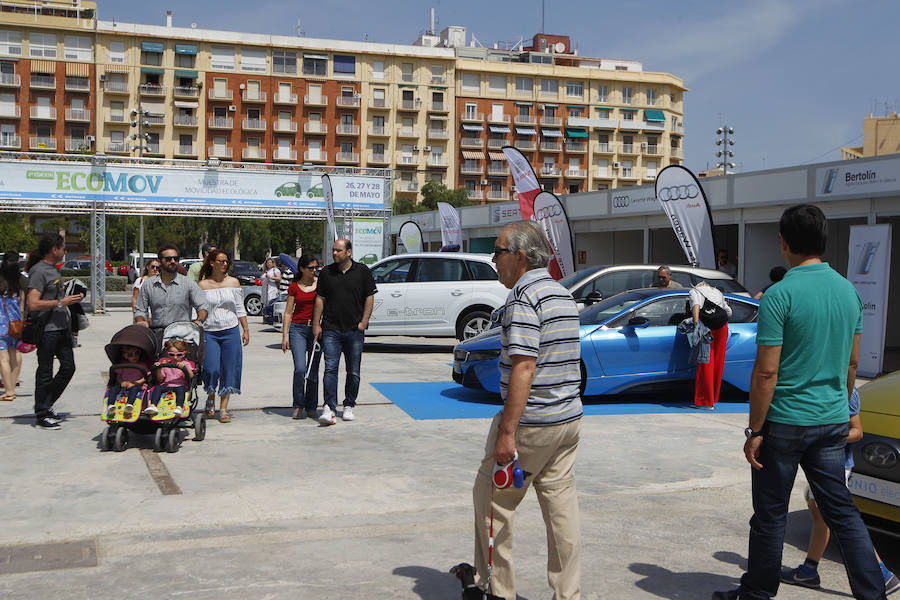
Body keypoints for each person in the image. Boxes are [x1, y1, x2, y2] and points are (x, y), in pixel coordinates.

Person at [713, 204, 886, 600]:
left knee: (771, 514)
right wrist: (838, 408)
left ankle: (756, 592)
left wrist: (755, 430)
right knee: (842, 511)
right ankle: (872, 592)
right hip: (831, 422)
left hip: (785, 424)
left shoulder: (780, 294)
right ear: (823, 242)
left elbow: (766, 373)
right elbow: (853, 363)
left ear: (784, 243)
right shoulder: (848, 292)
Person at [472, 220, 583, 600]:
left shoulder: (523, 297)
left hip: (531, 423)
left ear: (520, 257)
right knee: (560, 509)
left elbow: (524, 365)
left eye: (498, 252)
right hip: (566, 421)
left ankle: (495, 588)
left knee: (494, 501)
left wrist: (507, 432)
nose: (494, 260)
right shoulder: (562, 294)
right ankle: (568, 593)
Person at [781, 387, 899, 595]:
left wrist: (824, 437)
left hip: (836, 466)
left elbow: (857, 431)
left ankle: (882, 573)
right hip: (824, 465)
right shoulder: (824, 383)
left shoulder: (847, 388)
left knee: (844, 523)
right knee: (821, 518)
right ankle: (809, 571)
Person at [312, 238, 376, 425]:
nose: (334, 253)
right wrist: (317, 324)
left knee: (353, 371)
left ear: (348, 252)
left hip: (354, 330)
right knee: (330, 369)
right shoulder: (326, 273)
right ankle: (329, 407)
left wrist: (364, 321)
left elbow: (369, 297)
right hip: (331, 329)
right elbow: (320, 300)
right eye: (333, 250)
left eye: (338, 250)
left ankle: (349, 405)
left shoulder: (362, 271)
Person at [26, 234, 84, 430]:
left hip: (61, 329)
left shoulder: (52, 270)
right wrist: (62, 302)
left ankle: (46, 402)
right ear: (54, 250)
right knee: (45, 372)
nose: (65, 251)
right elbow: (32, 303)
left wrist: (70, 299)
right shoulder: (39, 271)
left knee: (68, 367)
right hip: (47, 330)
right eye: (64, 248)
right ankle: (41, 413)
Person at [197, 249, 248, 423]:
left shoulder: (233, 283)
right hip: (210, 331)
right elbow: (197, 309)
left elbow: (240, 308)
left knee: (229, 369)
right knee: (211, 368)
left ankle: (224, 408)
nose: (225, 264)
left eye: (226, 261)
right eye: (221, 261)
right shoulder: (202, 285)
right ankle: (210, 396)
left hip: (231, 330)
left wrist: (246, 329)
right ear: (212, 263)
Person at [134, 244, 209, 337]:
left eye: (176, 259)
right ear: (159, 261)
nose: (173, 261)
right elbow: (140, 309)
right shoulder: (148, 284)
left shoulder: (188, 283)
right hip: (157, 333)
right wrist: (141, 321)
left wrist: (200, 320)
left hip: (182, 335)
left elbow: (202, 306)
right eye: (168, 259)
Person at [281, 254, 321, 420]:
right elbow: (288, 312)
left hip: (316, 329)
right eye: (311, 268)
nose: (314, 270)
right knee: (300, 369)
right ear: (302, 269)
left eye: (316, 267)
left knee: (313, 370)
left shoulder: (320, 284)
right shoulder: (294, 287)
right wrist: (285, 335)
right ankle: (298, 404)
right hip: (297, 329)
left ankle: (311, 406)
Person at [689, 281, 732, 410]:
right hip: (722, 326)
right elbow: (728, 311)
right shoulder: (717, 292)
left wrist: (696, 325)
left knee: (706, 361)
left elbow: (696, 306)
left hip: (707, 327)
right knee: (718, 361)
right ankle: (714, 397)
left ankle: (705, 402)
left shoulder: (694, 291)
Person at [0, 251, 26, 401]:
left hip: (1, 324)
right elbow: (22, 307)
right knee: (14, 355)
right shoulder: (19, 282)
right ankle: (13, 385)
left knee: (3, 358)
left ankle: (8, 391)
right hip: (16, 324)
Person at [145, 339, 194, 418]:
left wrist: (185, 368)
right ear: (168, 354)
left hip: (180, 385)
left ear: (184, 354)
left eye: (179, 355)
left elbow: (191, 376)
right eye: (171, 354)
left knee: (181, 390)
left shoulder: (185, 364)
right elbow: (160, 379)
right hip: (166, 385)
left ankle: (179, 407)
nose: (175, 357)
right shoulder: (165, 364)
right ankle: (153, 405)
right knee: (157, 388)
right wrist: (159, 368)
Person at [104, 344, 150, 419]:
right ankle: (111, 405)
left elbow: (145, 377)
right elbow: (118, 376)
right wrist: (121, 382)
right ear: (125, 356)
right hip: (124, 384)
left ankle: (129, 405)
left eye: (137, 354)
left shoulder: (142, 365)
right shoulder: (122, 365)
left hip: (137, 384)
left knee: (134, 389)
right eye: (130, 355)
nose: (134, 357)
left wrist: (136, 382)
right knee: (113, 389)